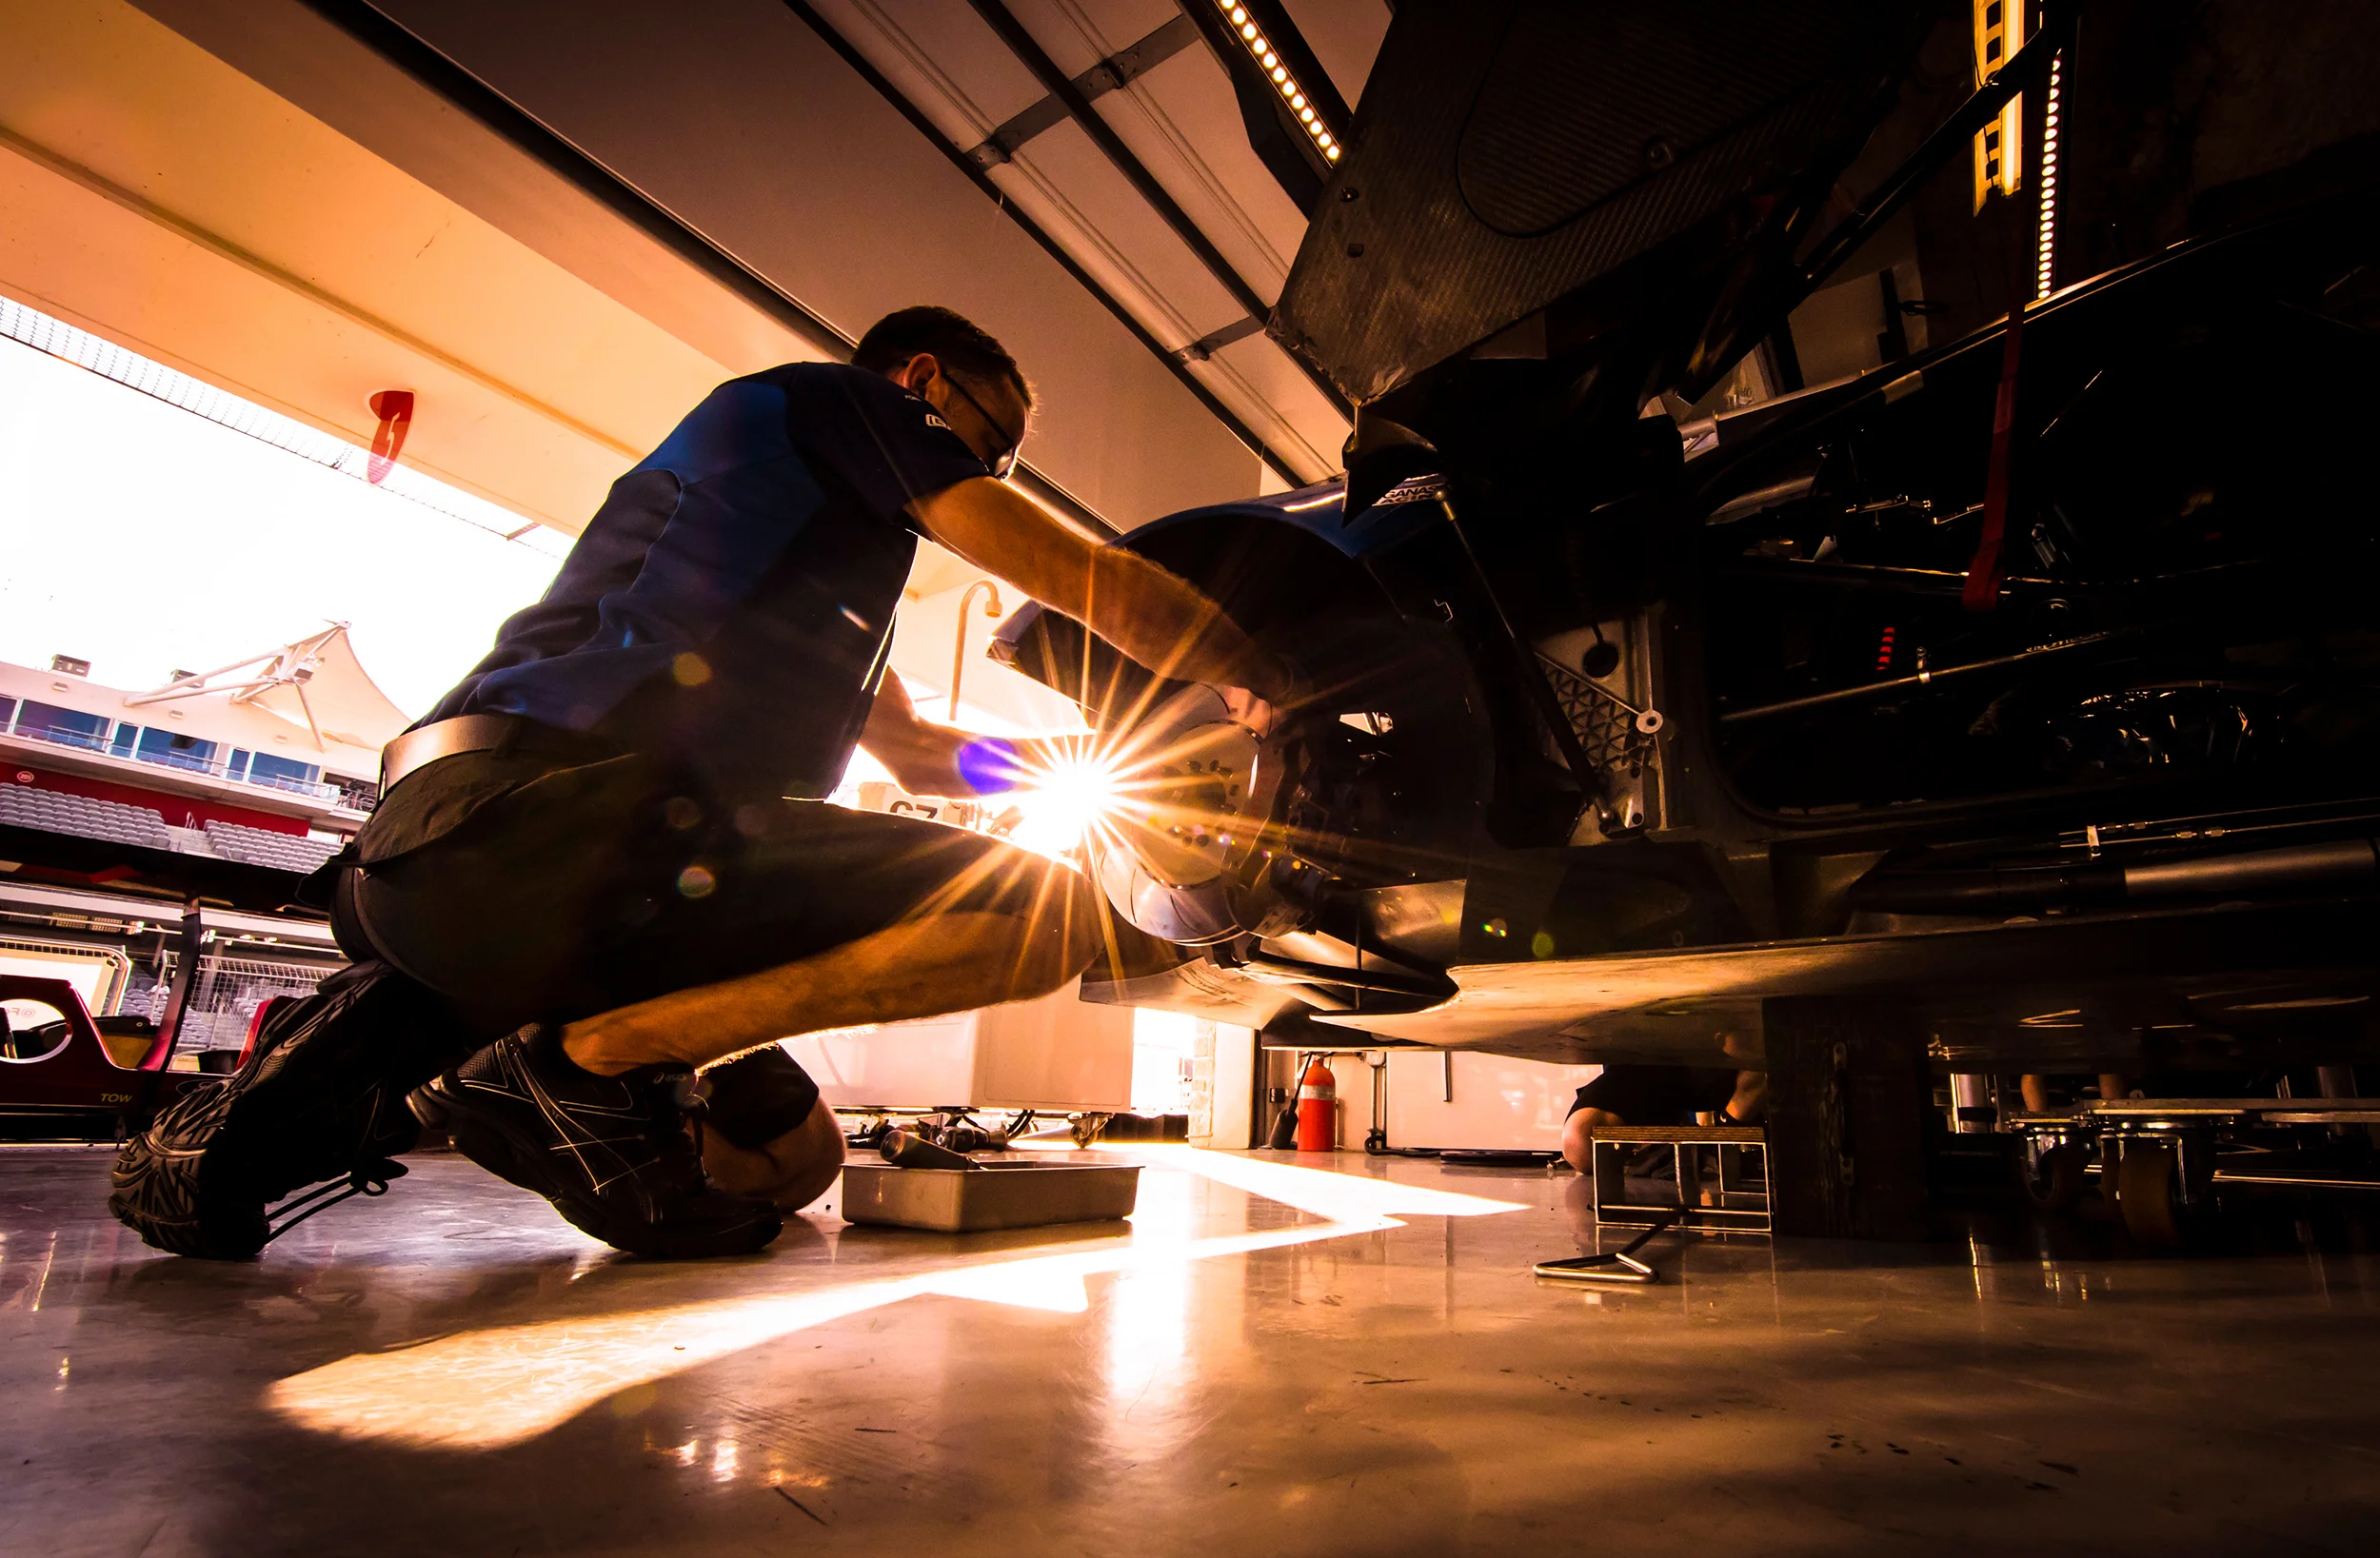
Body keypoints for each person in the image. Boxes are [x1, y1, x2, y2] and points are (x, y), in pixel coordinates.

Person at [110, 306, 1288, 1261]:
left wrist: (1097, 772)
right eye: (998, 440)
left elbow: (927, 758)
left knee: (793, 1165)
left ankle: (373, 1090)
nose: (990, 463)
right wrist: (1271, 680)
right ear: (923, 380)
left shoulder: (798, 562)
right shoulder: (843, 405)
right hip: (542, 828)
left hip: (447, 866)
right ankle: (567, 1068)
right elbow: (1092, 579)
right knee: (1051, 919)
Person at [1558, 1035, 1767, 1173]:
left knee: (1583, 1139)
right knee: (1583, 1142)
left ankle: (1721, 1136)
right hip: (1666, 1079)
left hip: (1651, 1068)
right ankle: (1722, 1135)